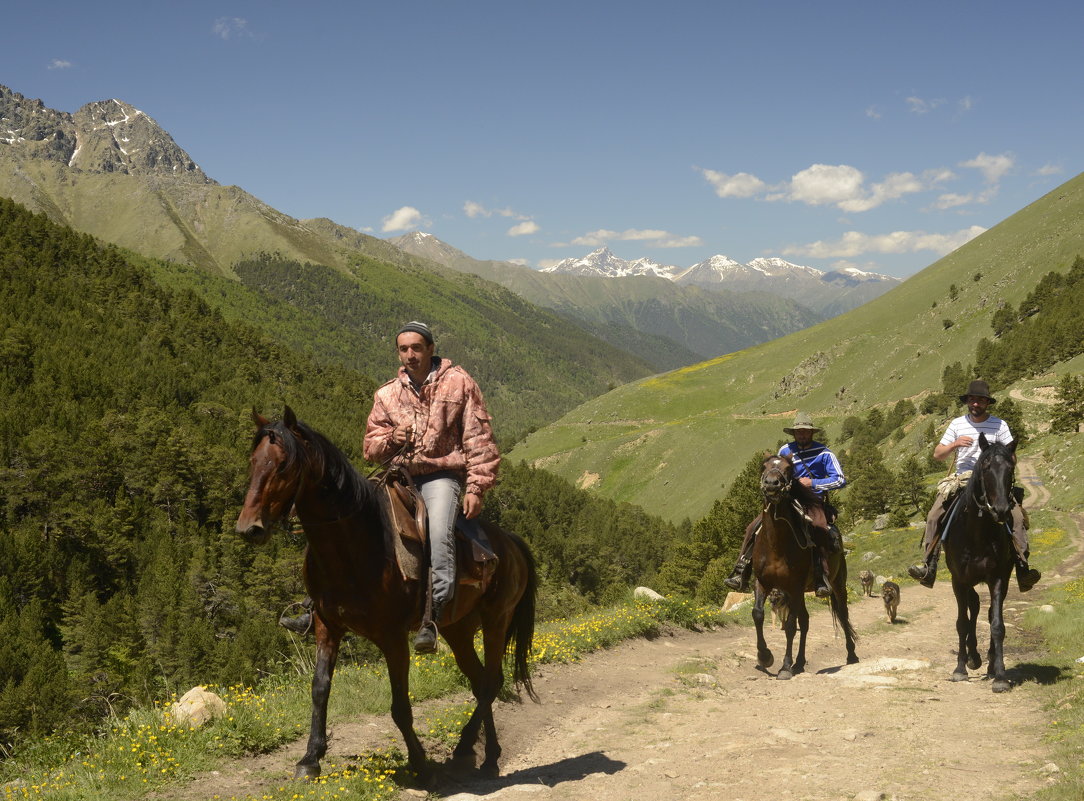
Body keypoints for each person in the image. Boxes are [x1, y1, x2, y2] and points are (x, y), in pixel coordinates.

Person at [280, 321, 500, 654]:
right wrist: (390, 439)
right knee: (345, 520)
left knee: (439, 532)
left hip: (441, 476)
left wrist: (476, 487)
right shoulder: (387, 394)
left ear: (430, 348)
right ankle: (317, 606)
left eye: (417, 347)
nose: (410, 355)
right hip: (396, 475)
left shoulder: (460, 384)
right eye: (403, 349)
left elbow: (479, 438)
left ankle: (433, 615)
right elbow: (370, 447)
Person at [908, 380, 1040, 591]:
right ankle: (928, 566)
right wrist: (954, 444)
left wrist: (1000, 458)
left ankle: (1022, 567)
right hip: (963, 479)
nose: (975, 404)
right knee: (934, 515)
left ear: (987, 402)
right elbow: (938, 455)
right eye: (972, 399)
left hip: (993, 480)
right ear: (967, 402)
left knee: (1016, 517)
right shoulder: (956, 424)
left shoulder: (1000, 425)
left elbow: (1011, 457)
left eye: (980, 400)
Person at [722, 413, 846, 598]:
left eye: (805, 431)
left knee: (820, 528)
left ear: (811, 433)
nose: (802, 434)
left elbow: (840, 479)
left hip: (813, 501)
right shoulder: (785, 450)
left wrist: (813, 483)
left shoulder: (825, 453)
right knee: (753, 527)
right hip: (787, 499)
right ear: (794, 433)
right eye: (798, 432)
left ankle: (821, 577)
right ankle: (741, 571)